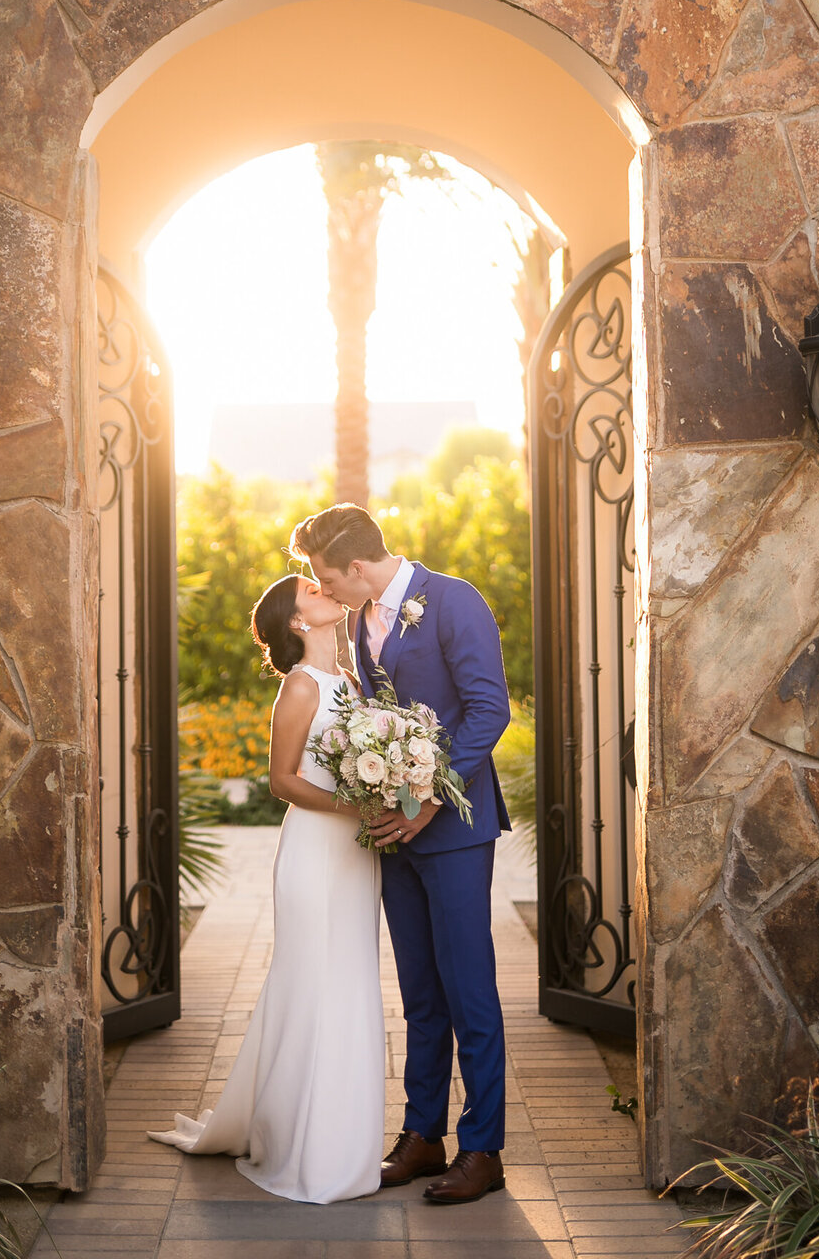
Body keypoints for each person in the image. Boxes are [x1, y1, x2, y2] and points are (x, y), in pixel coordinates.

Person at [290, 502, 511, 1207]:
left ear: (357, 567)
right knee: (419, 992)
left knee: (468, 988)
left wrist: (432, 795)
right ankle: (424, 1134)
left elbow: (489, 709)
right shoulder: (357, 621)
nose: (325, 591)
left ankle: (484, 1149)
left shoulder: (453, 601)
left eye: (327, 578)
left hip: (451, 831)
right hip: (393, 835)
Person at [148, 571, 385, 1203]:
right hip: (315, 850)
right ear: (297, 622)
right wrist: (356, 808)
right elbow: (281, 781)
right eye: (311, 589)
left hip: (358, 856)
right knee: (311, 980)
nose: (325, 589)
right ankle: (303, 1145)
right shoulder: (301, 688)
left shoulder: (356, 684)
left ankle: (342, 1138)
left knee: (352, 978)